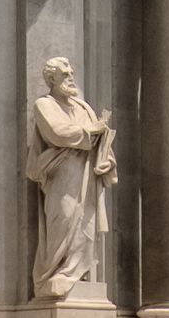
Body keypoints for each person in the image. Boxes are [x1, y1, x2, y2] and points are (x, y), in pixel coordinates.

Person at [25, 59, 116, 298]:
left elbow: (101, 141)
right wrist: (90, 132)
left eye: (72, 73)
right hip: (61, 176)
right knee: (63, 219)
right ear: (51, 79)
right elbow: (57, 132)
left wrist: (107, 159)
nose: (71, 78)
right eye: (65, 75)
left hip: (87, 174)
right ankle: (55, 274)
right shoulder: (44, 105)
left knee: (85, 225)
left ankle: (77, 274)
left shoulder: (83, 107)